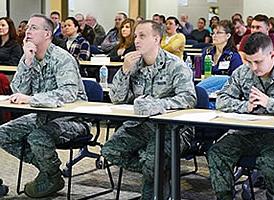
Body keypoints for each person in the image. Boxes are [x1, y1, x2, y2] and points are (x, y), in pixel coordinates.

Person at [208, 32, 274, 200]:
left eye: (258, 61)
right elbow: (222, 100)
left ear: (272, 55)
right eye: (249, 61)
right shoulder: (243, 72)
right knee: (217, 153)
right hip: (250, 133)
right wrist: (245, 106)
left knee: (272, 164)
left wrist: (269, 103)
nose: (253, 68)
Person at [101, 20, 196, 199]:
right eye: (135, 36)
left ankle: (155, 174)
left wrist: (158, 105)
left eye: (142, 36)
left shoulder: (175, 65)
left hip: (173, 129)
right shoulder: (134, 63)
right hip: (141, 125)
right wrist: (124, 71)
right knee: (110, 151)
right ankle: (161, 172)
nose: (136, 40)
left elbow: (189, 97)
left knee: (153, 161)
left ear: (156, 39)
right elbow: (117, 99)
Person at [0, 14, 90, 198]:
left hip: (73, 119)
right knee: (2, 134)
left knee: (38, 136)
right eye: (27, 27)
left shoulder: (62, 58)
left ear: (47, 34)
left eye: (34, 28)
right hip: (42, 116)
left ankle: (49, 174)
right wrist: (27, 61)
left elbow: (69, 93)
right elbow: (17, 89)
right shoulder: (30, 54)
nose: (27, 31)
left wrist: (31, 99)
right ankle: (51, 172)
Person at [197, 20, 242, 108]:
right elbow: (200, 72)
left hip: (223, 92)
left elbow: (236, 80)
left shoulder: (233, 56)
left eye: (218, 33)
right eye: (213, 33)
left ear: (228, 35)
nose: (214, 36)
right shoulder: (207, 52)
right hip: (206, 88)